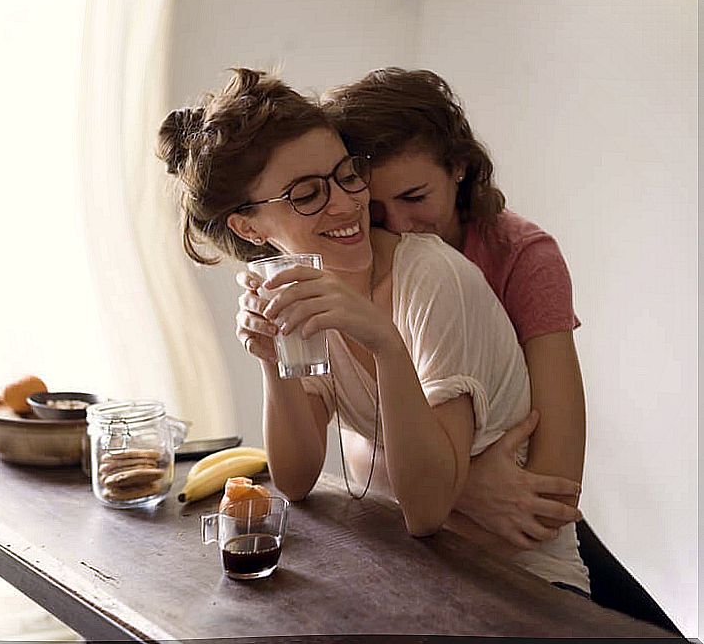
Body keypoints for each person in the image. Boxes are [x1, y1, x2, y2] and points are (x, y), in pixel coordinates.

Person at [157, 68, 589, 595]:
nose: (349, 205)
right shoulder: (300, 284)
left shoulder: (443, 273)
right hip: (420, 566)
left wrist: (383, 341)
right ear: (248, 227)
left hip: (517, 578)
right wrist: (272, 359)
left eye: (346, 175)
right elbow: (295, 479)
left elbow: (432, 509)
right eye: (307, 193)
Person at [320, 68, 587, 562]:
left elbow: (554, 490)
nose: (397, 226)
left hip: (517, 536)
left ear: (459, 168)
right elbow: (358, 441)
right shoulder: (355, 261)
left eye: (414, 198)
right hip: (434, 527)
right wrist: (461, 487)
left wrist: (439, 485)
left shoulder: (523, 258)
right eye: (374, 210)